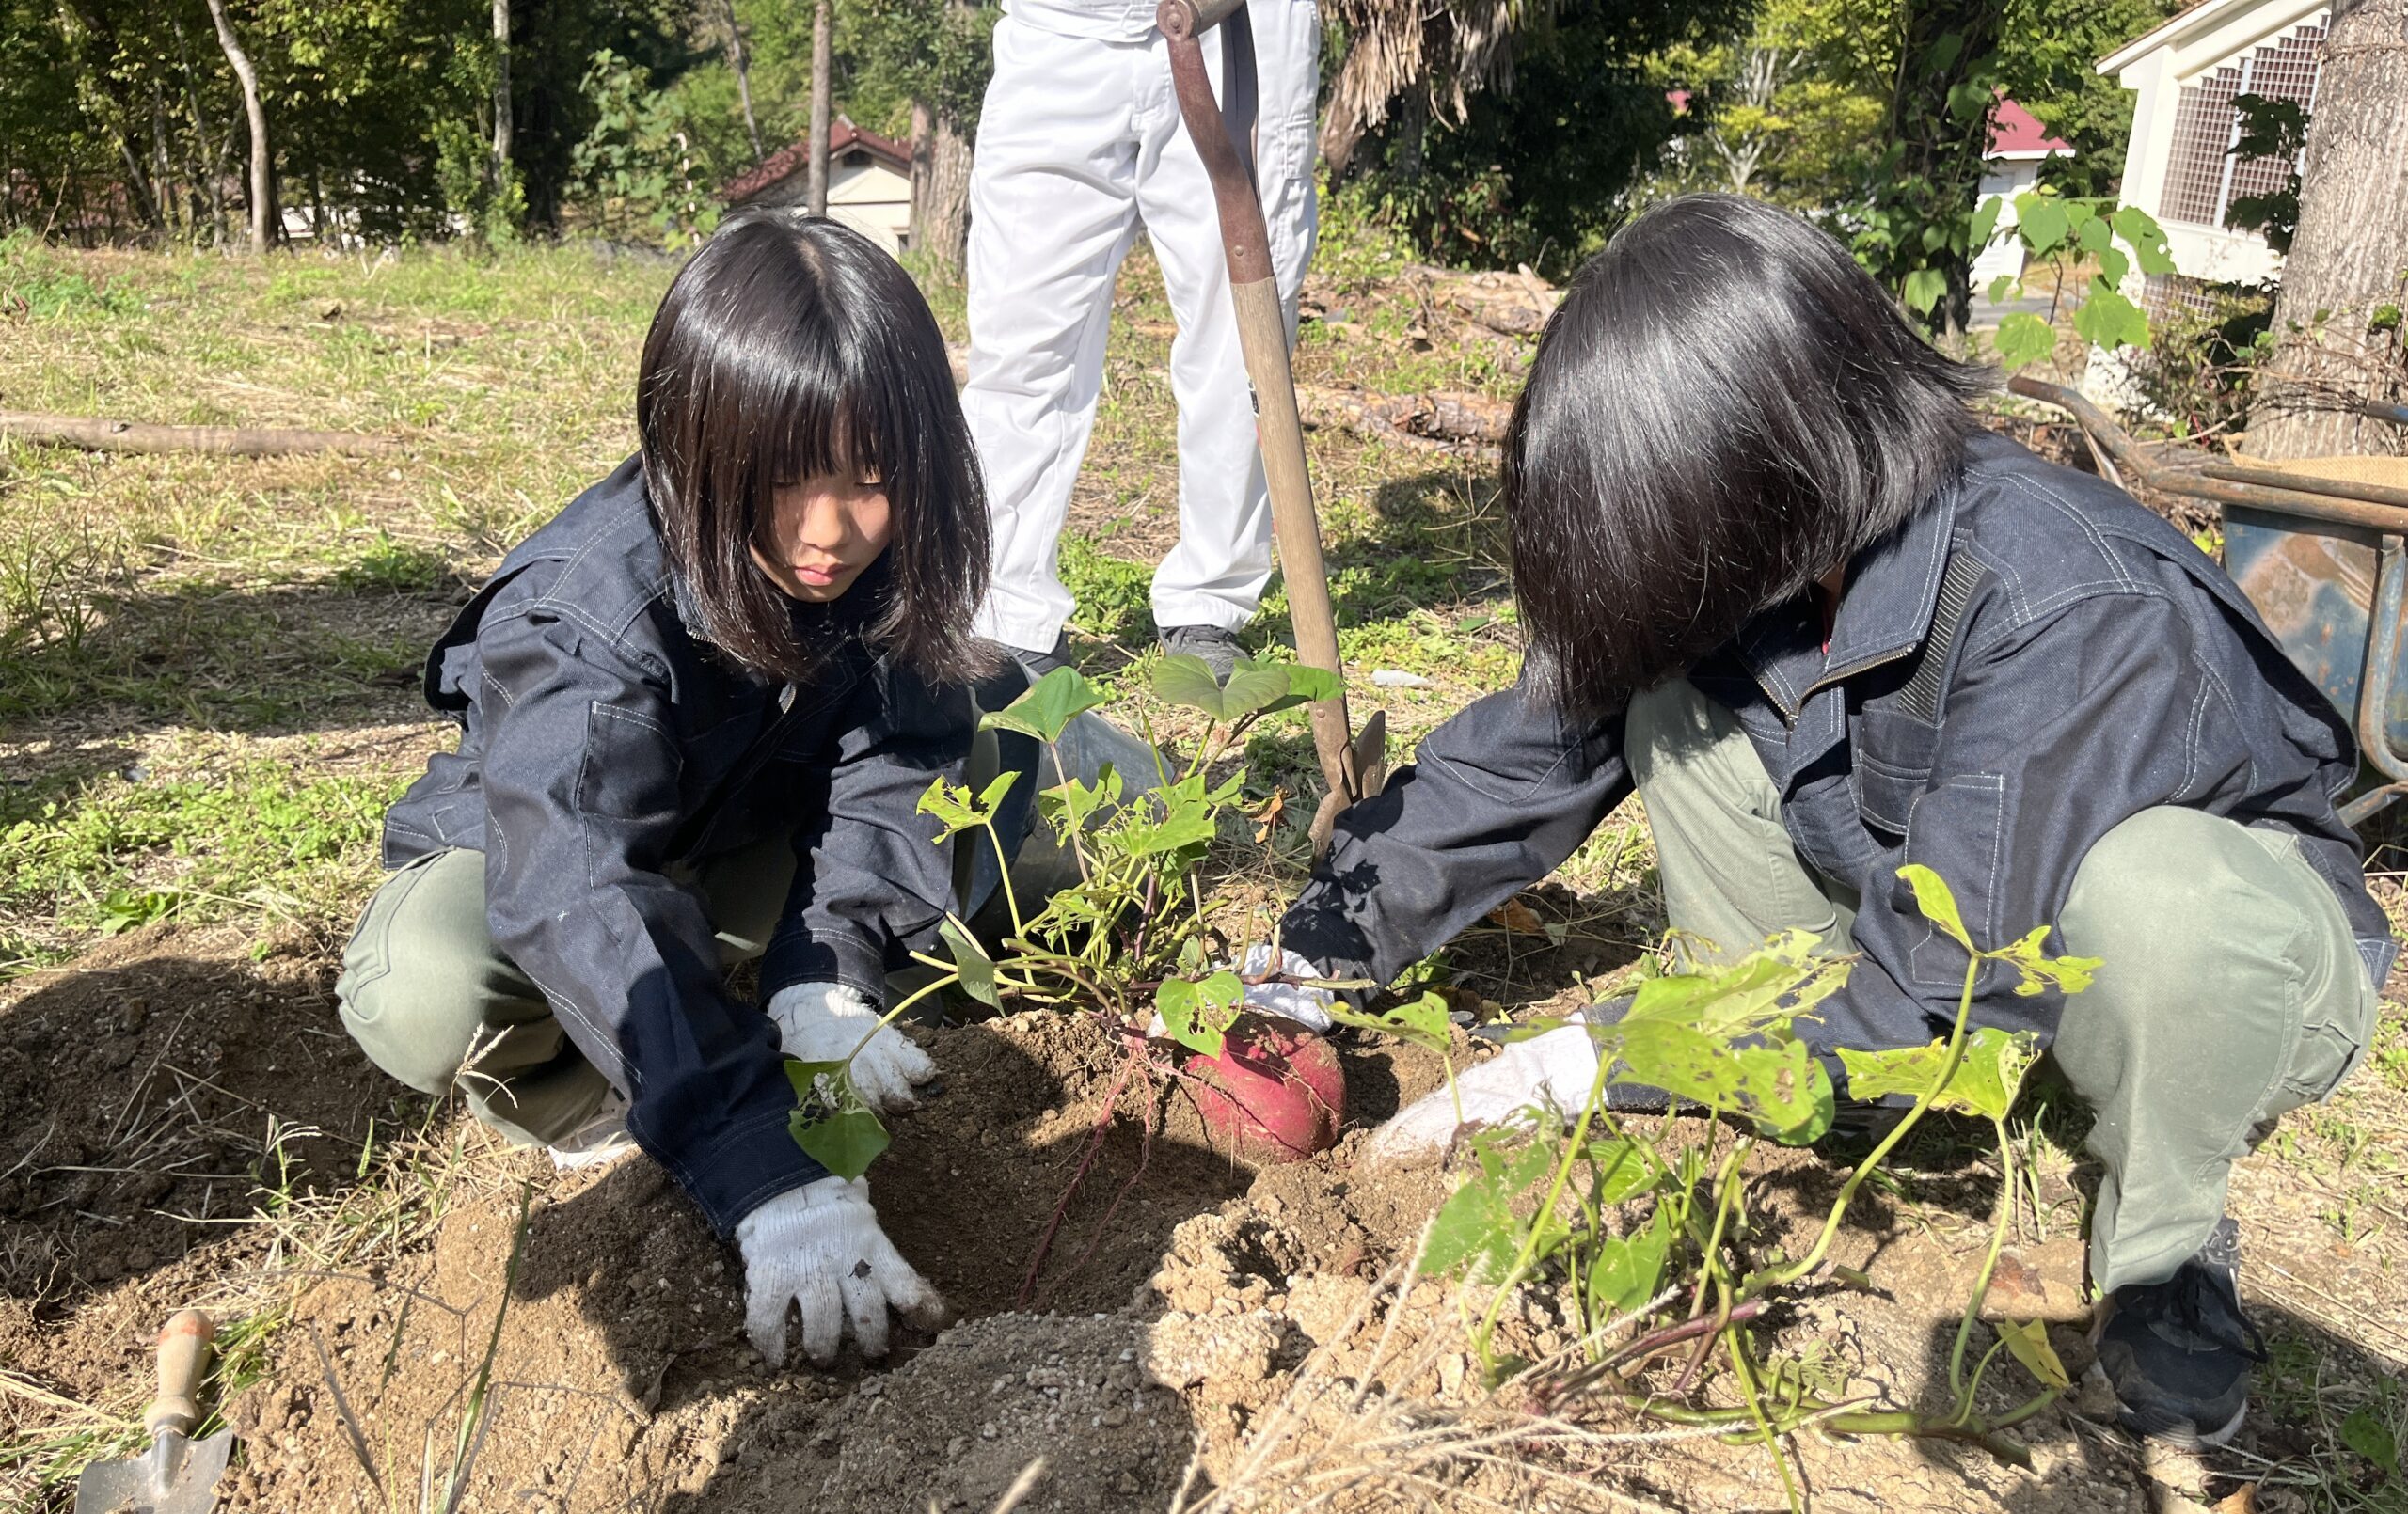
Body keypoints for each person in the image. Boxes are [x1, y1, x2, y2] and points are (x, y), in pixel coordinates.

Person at [1258, 195, 2387, 1451]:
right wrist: (1305, 956)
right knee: (1666, 697)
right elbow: (1514, 759)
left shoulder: (2064, 601)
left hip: (2223, 960)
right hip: (1955, 897)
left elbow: (1953, 977)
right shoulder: (1775, 546)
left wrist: (1597, 1056)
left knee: (2159, 899)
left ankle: (2166, 1243)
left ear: (1759, 463)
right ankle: (1822, 1080)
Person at [335, 212, 990, 1369]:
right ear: (695, 442)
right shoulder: (584, 617)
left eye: (873, 478)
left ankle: (766, 990)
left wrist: (828, 968)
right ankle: (597, 1096)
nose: (829, 531)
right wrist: (766, 1171)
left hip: (746, 841)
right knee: (426, 985)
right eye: (786, 480)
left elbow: (901, 756)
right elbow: (580, 882)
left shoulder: (887, 563)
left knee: (1032, 799)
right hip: (558, 850)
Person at [958, 0, 1322, 687]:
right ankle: (1007, 613)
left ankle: (1210, 603)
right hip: (1060, 29)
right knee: (1020, 336)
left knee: (1240, 337)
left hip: (1237, 24)